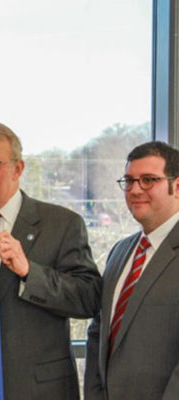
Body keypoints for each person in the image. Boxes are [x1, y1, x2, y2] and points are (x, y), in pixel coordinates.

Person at [0, 122, 101, 399]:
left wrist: (29, 272)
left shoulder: (62, 224)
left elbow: (88, 298)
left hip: (39, 390)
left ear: (18, 169)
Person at [84, 141, 179, 400]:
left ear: (177, 186)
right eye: (129, 180)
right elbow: (98, 332)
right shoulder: (120, 251)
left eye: (148, 180)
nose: (136, 190)